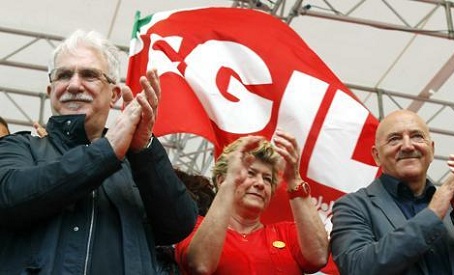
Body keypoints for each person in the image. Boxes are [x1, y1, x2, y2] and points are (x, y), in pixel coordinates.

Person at [0, 29, 198, 274]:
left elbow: (179, 224)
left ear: (114, 94)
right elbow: (9, 197)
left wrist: (144, 148)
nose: (74, 84)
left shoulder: (138, 163)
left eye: (89, 75)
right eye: (63, 75)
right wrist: (107, 151)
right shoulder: (19, 147)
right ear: (51, 92)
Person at [330, 109, 454, 275]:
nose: (408, 146)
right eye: (394, 139)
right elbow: (357, 268)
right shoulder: (352, 207)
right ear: (376, 156)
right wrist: (432, 216)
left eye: (417, 136)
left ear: (431, 150)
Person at [175, 130, 329, 274]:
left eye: (267, 179)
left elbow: (319, 257)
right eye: (251, 173)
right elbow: (200, 265)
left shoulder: (286, 233)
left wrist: (294, 179)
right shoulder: (194, 226)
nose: (260, 183)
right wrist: (230, 182)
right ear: (222, 180)